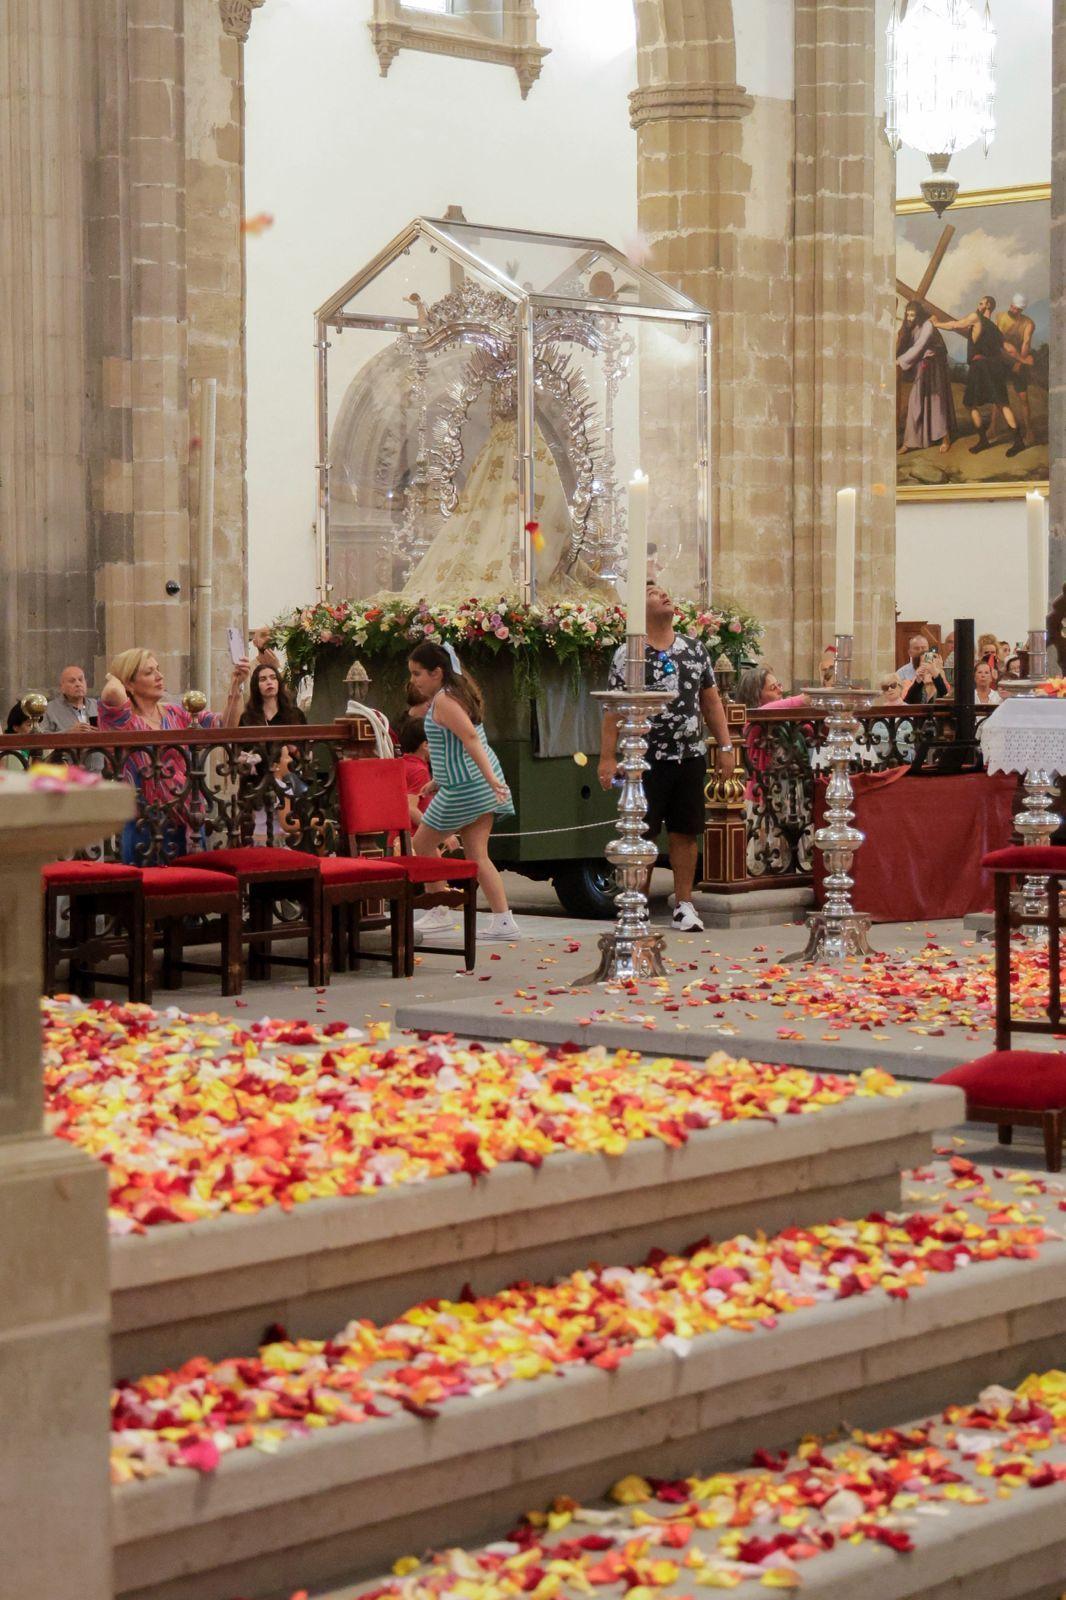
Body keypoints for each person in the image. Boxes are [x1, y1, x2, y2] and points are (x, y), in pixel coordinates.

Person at [599, 583, 735, 934]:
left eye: (665, 591)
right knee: (641, 834)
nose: (664, 595)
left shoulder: (694, 649)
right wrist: (607, 757)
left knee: (685, 832)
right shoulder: (628, 655)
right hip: (644, 758)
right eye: (653, 592)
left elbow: (711, 701)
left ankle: (684, 905)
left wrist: (724, 746)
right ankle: (638, 906)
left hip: (688, 756)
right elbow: (613, 710)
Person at [406, 640, 521, 942]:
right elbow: (452, 748)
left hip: (467, 787)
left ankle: (440, 907)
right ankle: (504, 920)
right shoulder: (452, 695)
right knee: (478, 855)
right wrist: (438, 780)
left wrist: (488, 779)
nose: (413, 680)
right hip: (473, 784)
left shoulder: (444, 701)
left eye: (418, 674)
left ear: (437, 673)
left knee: (421, 843)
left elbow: (470, 739)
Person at [98, 647, 250, 854]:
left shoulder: (175, 712)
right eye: (149, 672)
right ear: (129, 684)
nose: (160, 676)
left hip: (186, 817)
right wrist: (113, 677)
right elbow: (111, 691)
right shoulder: (122, 719)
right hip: (145, 823)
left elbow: (225, 726)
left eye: (158, 669)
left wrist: (236, 685)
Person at [933, 295, 1026, 458]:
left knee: (970, 404)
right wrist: (1021, 360)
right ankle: (1018, 441)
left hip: (980, 367)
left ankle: (984, 440)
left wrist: (936, 323)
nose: (979, 305)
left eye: (981, 303)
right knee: (1002, 403)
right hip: (996, 367)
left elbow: (955, 324)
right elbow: (1009, 348)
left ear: (987, 305)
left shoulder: (976, 317)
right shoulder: (996, 329)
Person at [896, 300, 955, 454]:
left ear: (919, 314)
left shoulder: (928, 325)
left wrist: (900, 361)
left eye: (912, 315)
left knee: (936, 401)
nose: (909, 318)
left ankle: (945, 438)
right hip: (921, 366)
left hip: (934, 367)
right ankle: (909, 442)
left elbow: (920, 346)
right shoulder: (911, 327)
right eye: (907, 315)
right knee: (916, 401)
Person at [38, 664, 104, 772]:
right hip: (66, 773)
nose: (78, 684)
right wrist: (68, 733)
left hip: (96, 772)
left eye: (81, 680)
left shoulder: (97, 706)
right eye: (72, 681)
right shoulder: (50, 709)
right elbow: (41, 739)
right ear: (62, 688)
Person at [996, 292, 1036, 443]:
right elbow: (997, 340)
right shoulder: (1000, 317)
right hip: (1001, 361)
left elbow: (1026, 343)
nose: (1014, 310)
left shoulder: (1028, 324)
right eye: (1013, 307)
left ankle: (1029, 431)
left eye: (1017, 309)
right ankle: (993, 427)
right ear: (1010, 304)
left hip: (1019, 361)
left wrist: (1019, 363)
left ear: (1022, 310)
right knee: (997, 395)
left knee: (1023, 397)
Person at [2, 703, 32, 770]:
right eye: (29, 725)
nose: (36, 729)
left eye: (38, 723)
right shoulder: (10, 753)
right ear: (16, 727)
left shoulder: (38, 748)